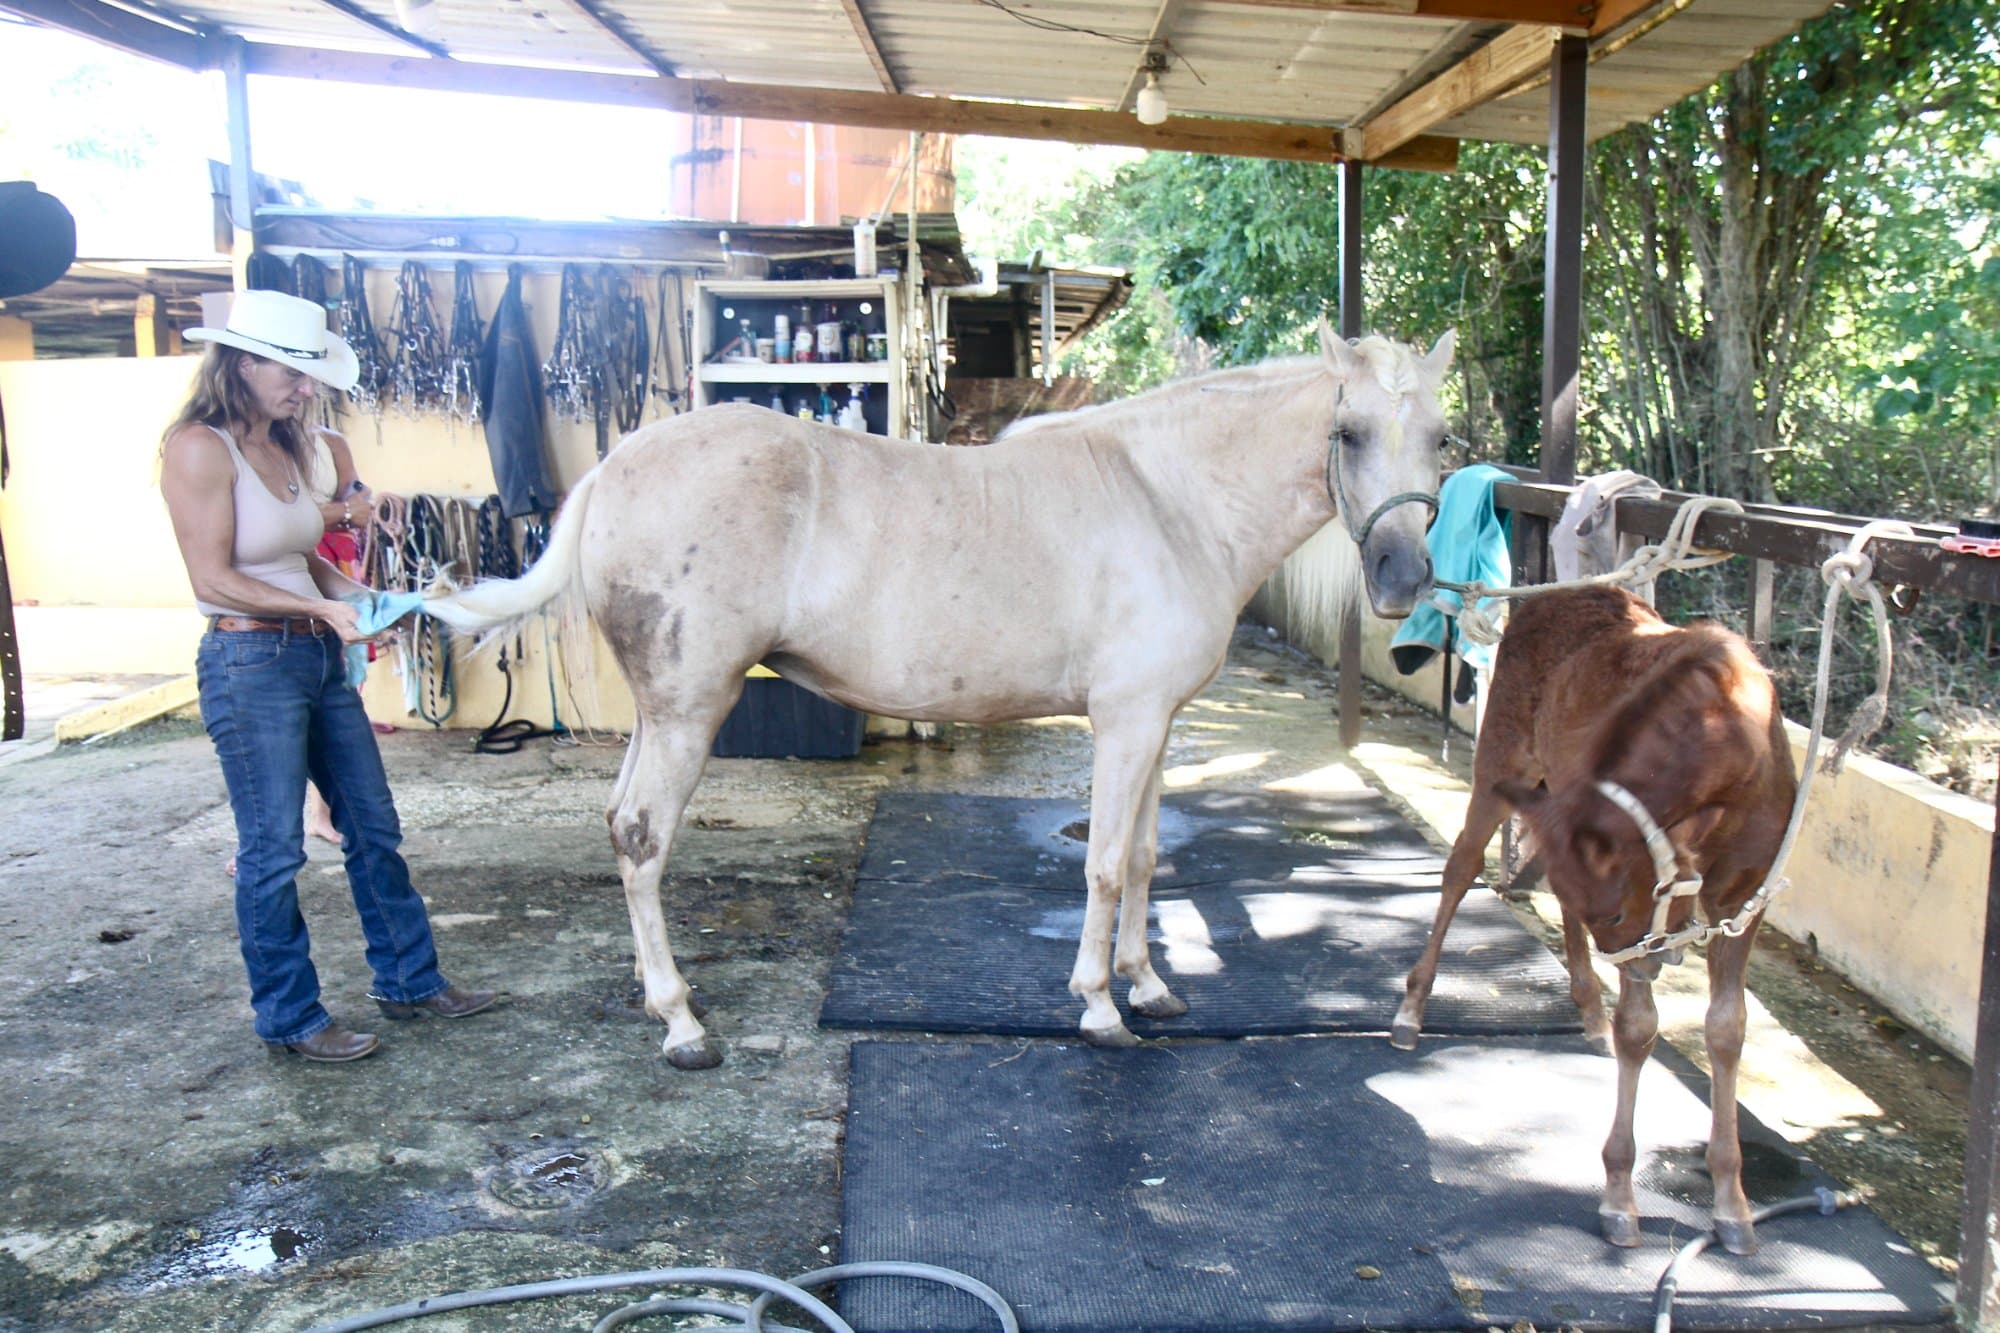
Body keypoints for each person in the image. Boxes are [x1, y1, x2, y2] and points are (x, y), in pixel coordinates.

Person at [159, 289, 494, 1063]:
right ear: (242, 364)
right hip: (249, 661)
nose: (306, 389)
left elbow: (299, 555)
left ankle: (410, 979)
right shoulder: (199, 447)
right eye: (293, 373)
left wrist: (368, 600)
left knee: (372, 824)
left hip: (312, 651)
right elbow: (212, 578)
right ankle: (290, 1016)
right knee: (274, 849)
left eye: (309, 376)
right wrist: (325, 611)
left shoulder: (282, 443)